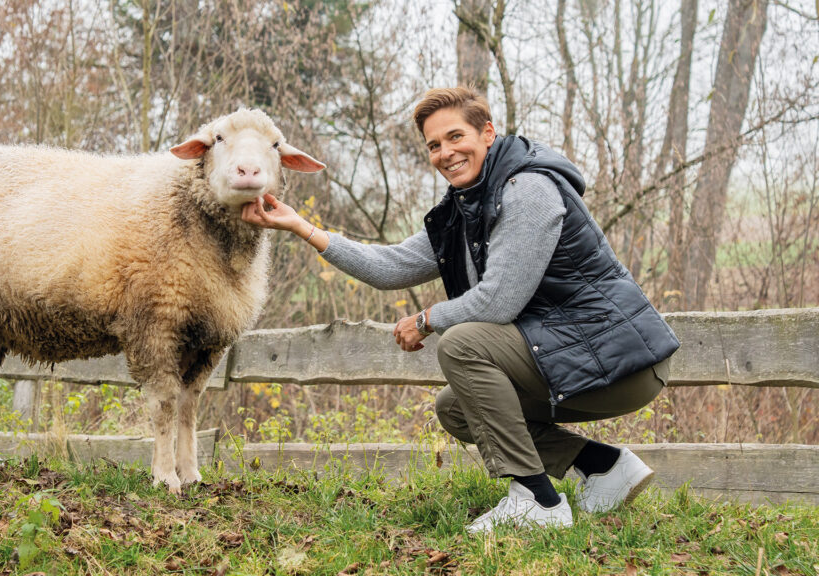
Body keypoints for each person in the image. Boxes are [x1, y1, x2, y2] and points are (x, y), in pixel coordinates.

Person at [240, 87, 679, 533]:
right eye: (434, 145)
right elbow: (389, 266)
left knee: (463, 343)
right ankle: (602, 467)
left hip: (623, 363)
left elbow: (498, 301)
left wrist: (427, 320)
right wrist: (301, 226)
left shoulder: (528, 189)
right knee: (455, 407)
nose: (446, 152)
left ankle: (537, 502)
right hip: (570, 356)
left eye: (455, 137)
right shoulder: (465, 210)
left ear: (487, 133)